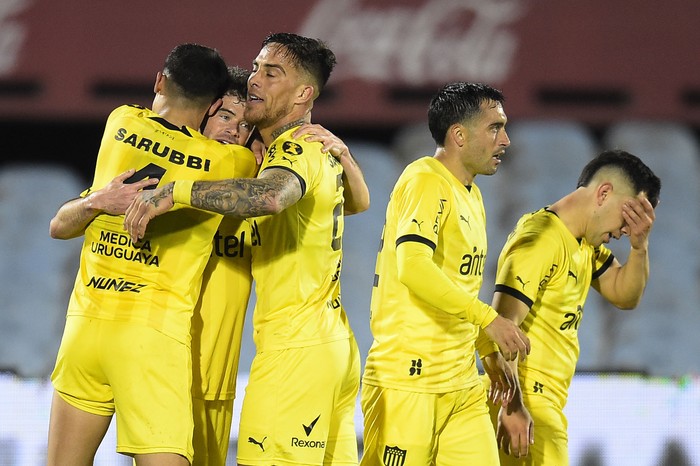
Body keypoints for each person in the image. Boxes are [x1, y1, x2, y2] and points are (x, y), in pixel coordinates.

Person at [123, 33, 368, 466]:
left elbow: (270, 196)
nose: (255, 79)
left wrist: (173, 192)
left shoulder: (293, 150)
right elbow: (356, 203)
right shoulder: (314, 150)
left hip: (293, 354)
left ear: (303, 94)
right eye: (256, 67)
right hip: (330, 348)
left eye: (271, 73)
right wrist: (344, 156)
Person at [46, 43, 258, 466]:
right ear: (214, 104)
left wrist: (94, 203)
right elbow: (266, 186)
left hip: (84, 328)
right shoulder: (228, 160)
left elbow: (58, 227)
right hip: (152, 337)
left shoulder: (120, 122)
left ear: (160, 81)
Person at [358, 82, 531, 466]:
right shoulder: (425, 179)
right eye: (495, 128)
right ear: (458, 135)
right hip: (408, 380)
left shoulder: (471, 193)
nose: (505, 139)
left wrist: (488, 352)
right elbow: (413, 266)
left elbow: (459, 283)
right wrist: (490, 320)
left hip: (461, 381)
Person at [482, 149, 660, 465]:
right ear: (604, 193)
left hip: (541, 403)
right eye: (628, 217)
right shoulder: (541, 239)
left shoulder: (584, 245)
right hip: (525, 401)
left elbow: (625, 295)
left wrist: (640, 247)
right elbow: (500, 327)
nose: (624, 230)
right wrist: (512, 408)